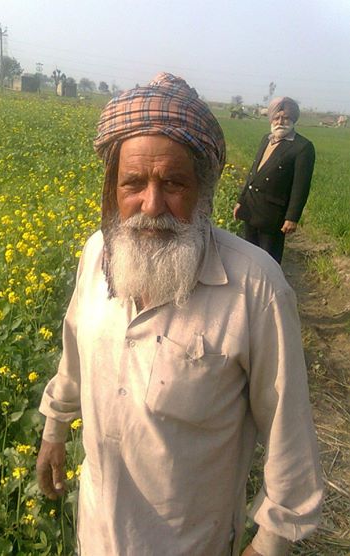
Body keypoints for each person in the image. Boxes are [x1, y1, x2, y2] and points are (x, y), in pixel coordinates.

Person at [37, 74, 323, 556]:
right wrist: (55, 426)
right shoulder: (96, 255)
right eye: (133, 184)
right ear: (112, 188)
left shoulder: (256, 288)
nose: (151, 205)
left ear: (204, 190)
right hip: (99, 534)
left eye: (173, 183)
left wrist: (271, 542)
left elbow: (289, 433)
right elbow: (75, 351)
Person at [233, 97, 315, 264]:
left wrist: (292, 217)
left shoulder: (302, 147)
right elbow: (253, 173)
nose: (280, 122)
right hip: (251, 207)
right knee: (248, 258)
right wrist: (241, 201)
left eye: (285, 118)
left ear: (293, 119)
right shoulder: (266, 139)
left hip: (273, 215)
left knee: (268, 262)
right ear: (271, 119)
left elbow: (301, 186)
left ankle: (270, 290)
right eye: (276, 117)